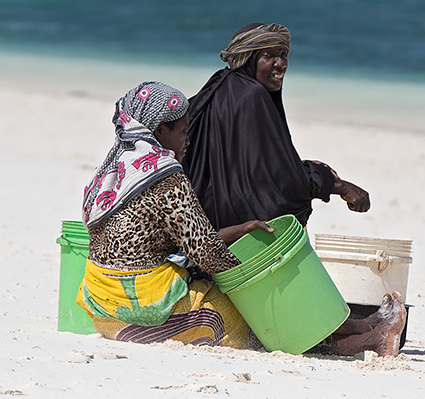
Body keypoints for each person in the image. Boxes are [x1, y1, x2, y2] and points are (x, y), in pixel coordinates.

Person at [78, 81, 406, 355]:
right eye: (182, 130)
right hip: (146, 309)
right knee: (259, 317)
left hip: (104, 305)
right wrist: (267, 281)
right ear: (161, 129)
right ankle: (366, 336)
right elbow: (207, 253)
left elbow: (162, 243)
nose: (187, 140)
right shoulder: (164, 175)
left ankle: (365, 327)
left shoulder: (115, 171)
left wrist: (238, 229)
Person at [183, 22, 370, 229]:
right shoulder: (252, 95)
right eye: (269, 56)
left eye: (283, 55)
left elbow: (256, 165)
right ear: (248, 59)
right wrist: (336, 184)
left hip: (203, 222)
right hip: (234, 226)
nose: (280, 64)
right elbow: (278, 182)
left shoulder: (219, 85)